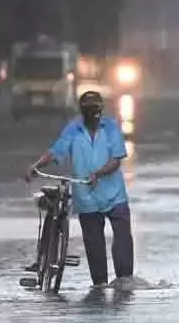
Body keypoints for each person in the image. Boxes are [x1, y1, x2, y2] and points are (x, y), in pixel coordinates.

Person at [24, 90, 134, 288]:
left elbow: (116, 160)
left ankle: (124, 282)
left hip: (114, 195)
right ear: (83, 112)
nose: (94, 116)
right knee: (95, 250)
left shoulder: (110, 128)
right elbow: (56, 151)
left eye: (96, 111)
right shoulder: (73, 130)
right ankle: (100, 286)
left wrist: (98, 173)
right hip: (87, 198)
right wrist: (36, 166)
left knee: (123, 239)